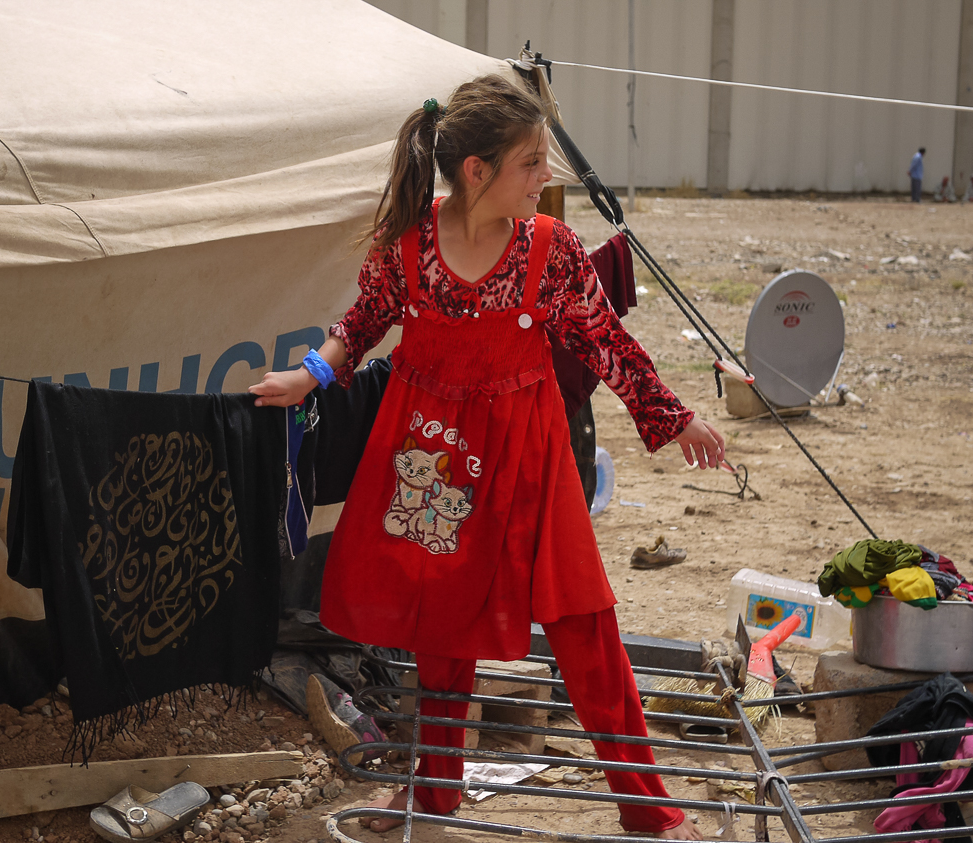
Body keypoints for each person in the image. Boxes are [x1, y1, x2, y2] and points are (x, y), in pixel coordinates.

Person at [250, 74, 724, 840]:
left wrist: (674, 416)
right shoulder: (409, 249)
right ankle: (434, 794)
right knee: (442, 628)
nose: (547, 175)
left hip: (532, 454)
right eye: (532, 162)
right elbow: (361, 322)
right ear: (477, 171)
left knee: (584, 620)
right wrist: (310, 375)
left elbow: (605, 340)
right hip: (437, 456)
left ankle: (651, 808)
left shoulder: (551, 250)